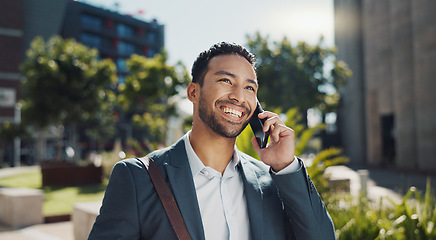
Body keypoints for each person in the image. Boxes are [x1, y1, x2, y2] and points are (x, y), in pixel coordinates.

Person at [88, 42, 336, 240]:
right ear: (193, 92)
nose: (239, 96)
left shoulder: (271, 180)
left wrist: (286, 166)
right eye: (226, 80)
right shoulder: (137, 178)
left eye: (250, 88)